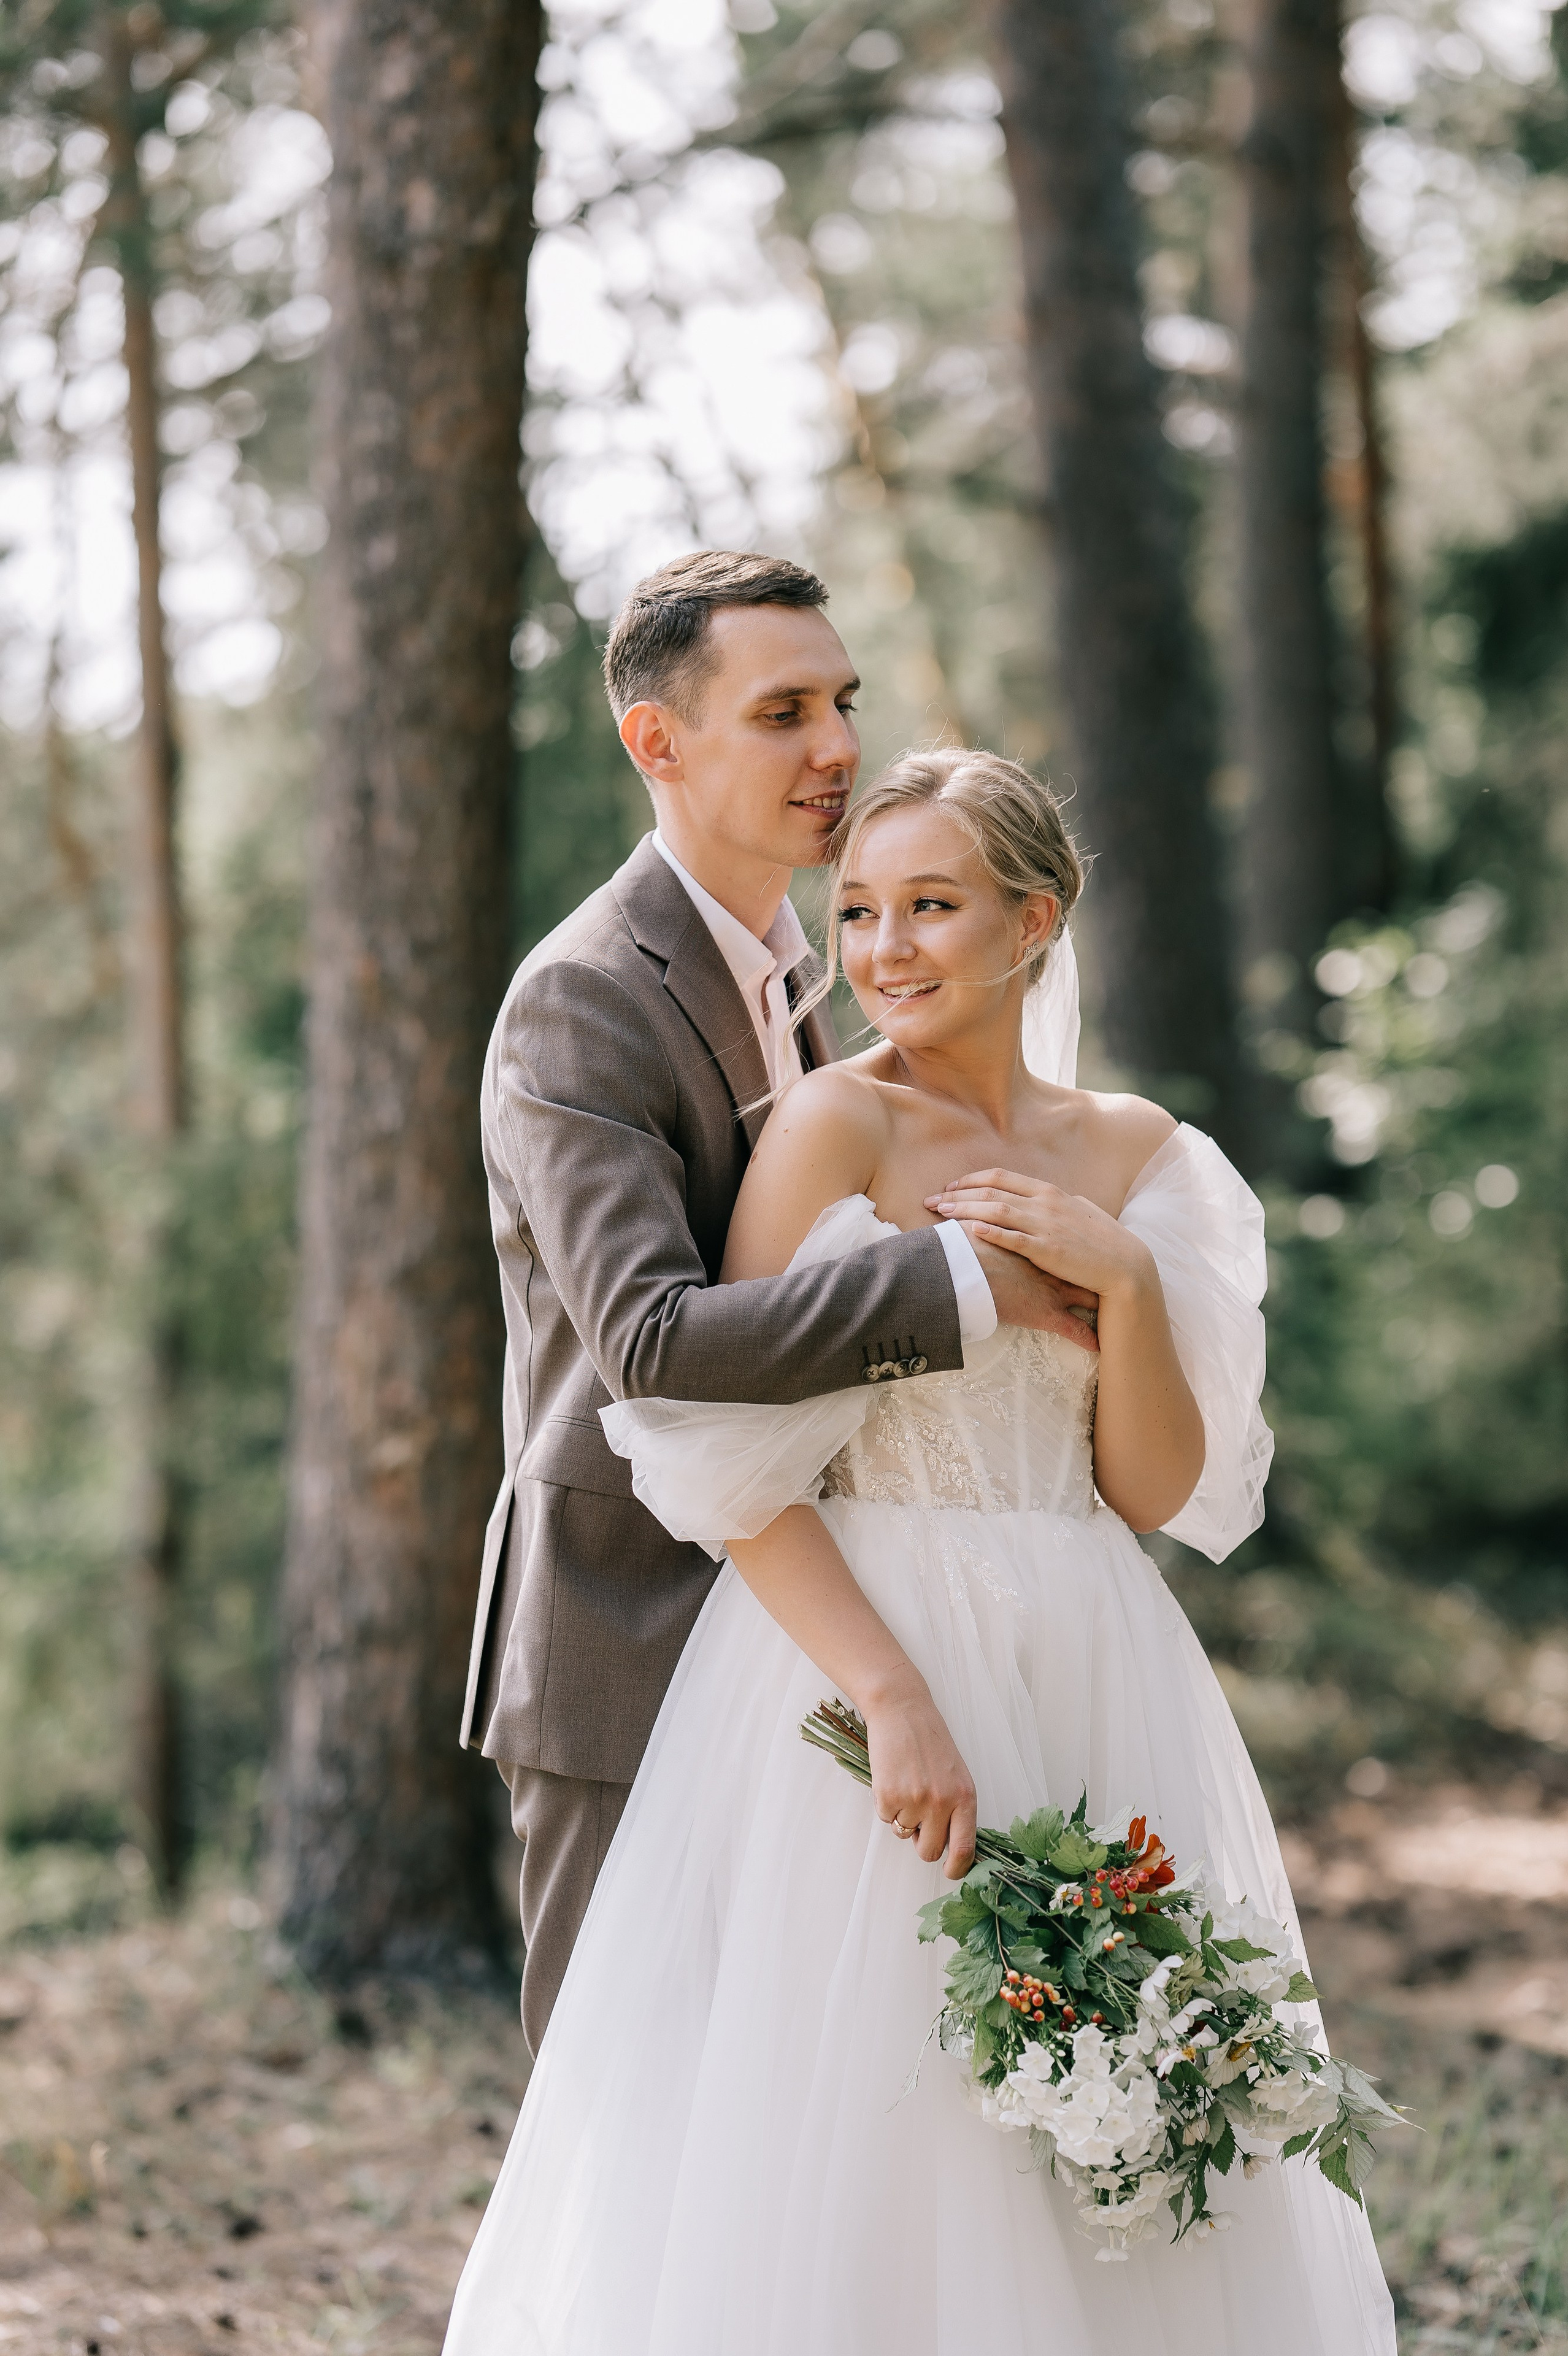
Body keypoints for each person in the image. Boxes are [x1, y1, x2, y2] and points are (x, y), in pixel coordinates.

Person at [445, 749, 1397, 2353]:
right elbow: (729, 1469)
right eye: (863, 909)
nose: (884, 948)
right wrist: (888, 1694)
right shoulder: (830, 1129)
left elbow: (1155, 1489)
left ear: (1035, 919)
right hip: (863, 1665)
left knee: (1096, 2077)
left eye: (931, 907)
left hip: (1095, 1655)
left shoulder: (1145, 1157)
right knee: (876, 2110)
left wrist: (1129, 1288)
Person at [464, 553, 1096, 2057]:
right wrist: (975, 1283)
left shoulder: (811, 982)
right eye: (783, 710)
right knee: (621, 2118)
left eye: (842, 703)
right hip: (629, 1627)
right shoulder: (585, 999)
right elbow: (652, 1340)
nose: (834, 747)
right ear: (657, 743)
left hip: (799, 1625)